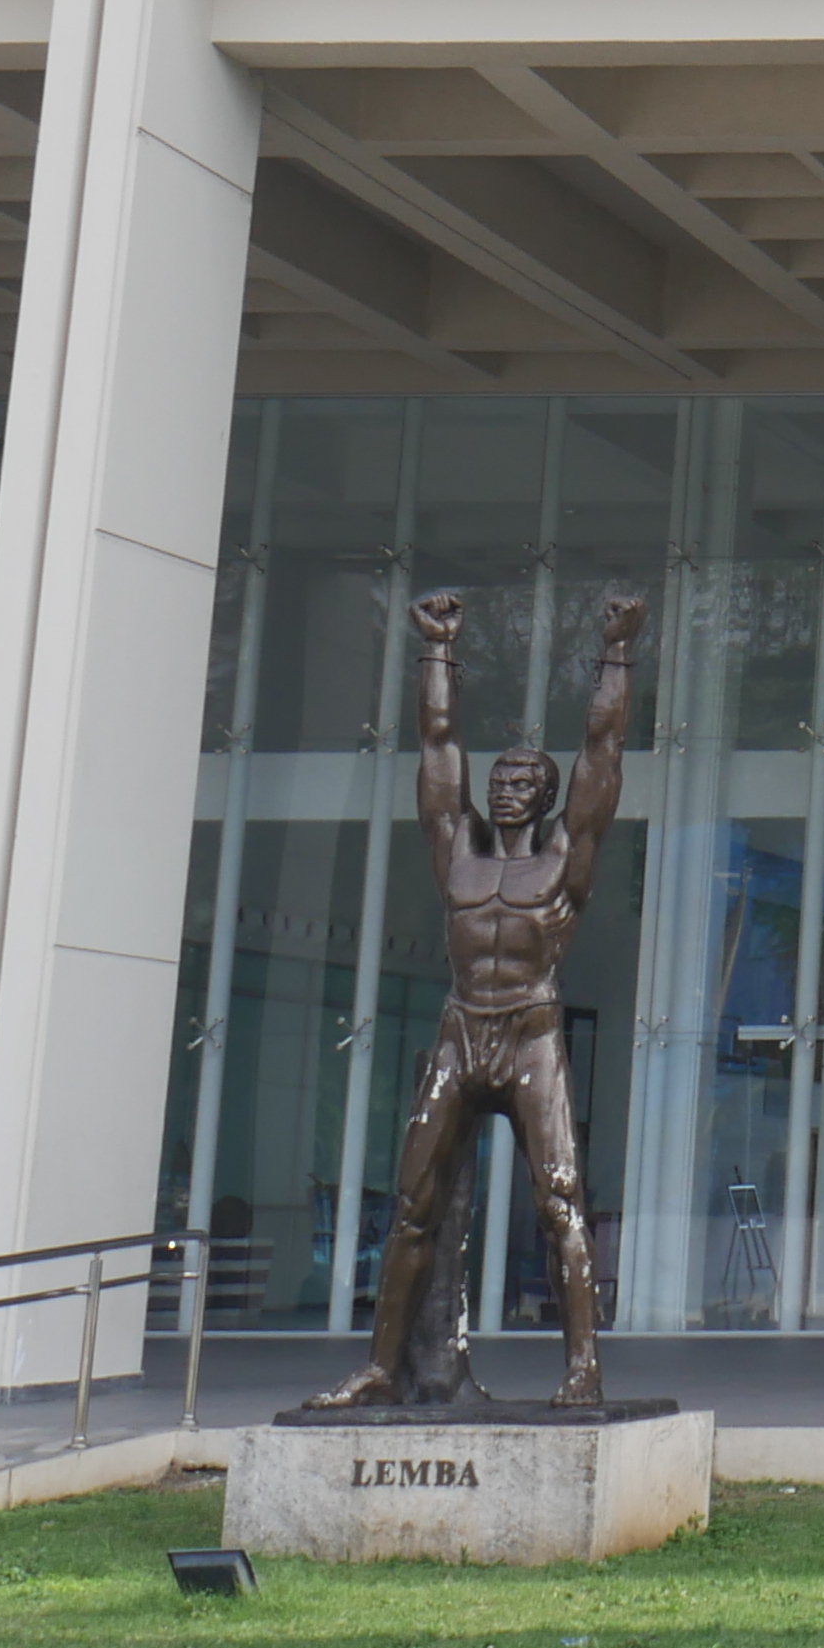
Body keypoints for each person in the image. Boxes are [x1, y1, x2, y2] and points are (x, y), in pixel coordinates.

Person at [312, 588, 644, 1411]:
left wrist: (616, 650)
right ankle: (385, 1367)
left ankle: (583, 1370)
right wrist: (437, 649)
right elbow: (437, 739)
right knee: (414, 1206)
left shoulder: (568, 854)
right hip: (462, 1032)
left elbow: (603, 747)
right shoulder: (456, 849)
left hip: (530, 1029)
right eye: (500, 776)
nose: (506, 787)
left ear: (546, 795)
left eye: (526, 779)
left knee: (560, 1200)